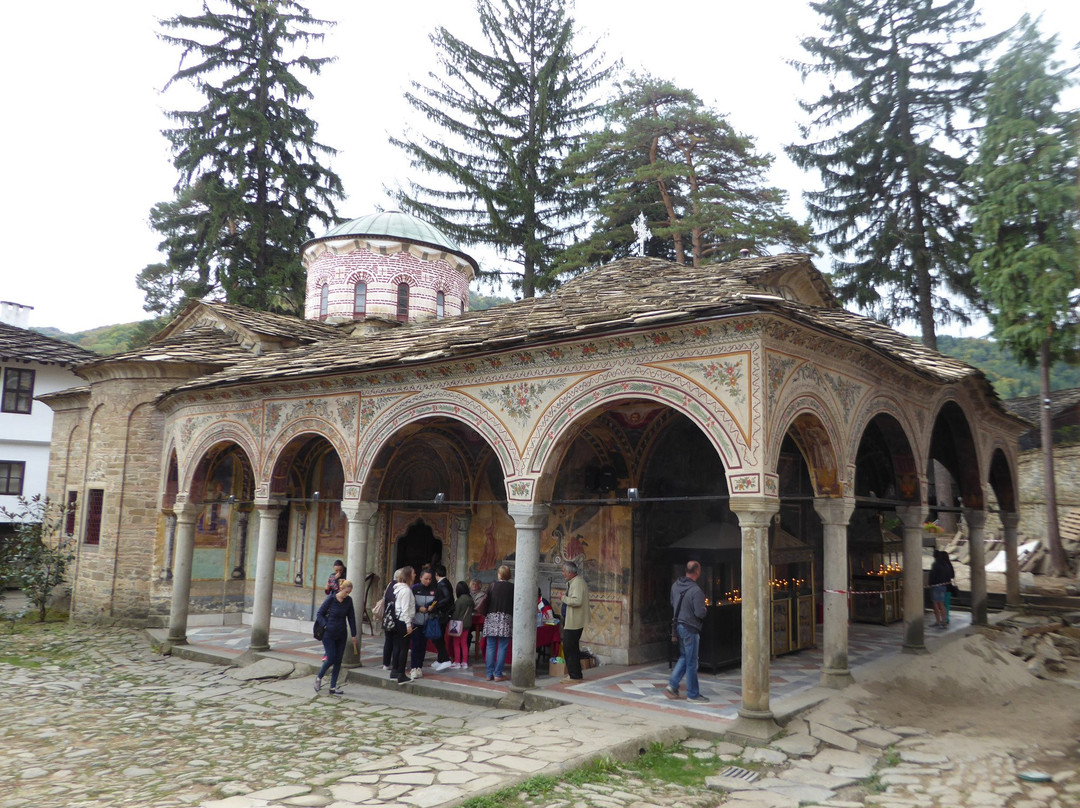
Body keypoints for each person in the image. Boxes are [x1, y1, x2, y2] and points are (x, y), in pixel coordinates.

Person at [666, 560, 708, 702]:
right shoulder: (696, 591)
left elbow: (673, 603)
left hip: (678, 626)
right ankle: (693, 694)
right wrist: (704, 609)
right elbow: (699, 613)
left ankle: (672, 684)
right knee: (692, 662)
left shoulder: (675, 586)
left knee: (685, 656)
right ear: (697, 571)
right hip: (690, 628)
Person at [313, 579, 358, 696]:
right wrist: (326, 625)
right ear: (341, 589)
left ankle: (333, 686)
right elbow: (319, 614)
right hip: (329, 633)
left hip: (342, 633)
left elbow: (351, 618)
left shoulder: (349, 601)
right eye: (346, 592)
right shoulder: (331, 599)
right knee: (331, 657)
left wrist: (354, 634)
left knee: (338, 660)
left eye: (349, 593)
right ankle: (319, 677)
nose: (347, 595)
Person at [482, 565, 514, 682]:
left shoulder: (492, 585)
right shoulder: (512, 588)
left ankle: (489, 673)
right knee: (502, 646)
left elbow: (487, 601)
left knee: (490, 646)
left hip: (491, 616)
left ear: (499, 574)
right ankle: (498, 674)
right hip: (506, 617)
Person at [560, 561, 589, 683]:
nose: (563, 574)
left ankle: (574, 675)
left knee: (569, 648)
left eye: (564, 571)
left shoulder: (577, 583)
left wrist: (563, 598)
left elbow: (577, 601)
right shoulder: (574, 582)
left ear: (570, 572)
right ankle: (575, 674)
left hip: (574, 622)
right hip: (572, 621)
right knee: (571, 648)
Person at [388, 567, 416, 685]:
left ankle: (395, 670)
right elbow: (405, 609)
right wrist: (408, 624)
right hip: (403, 621)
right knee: (403, 648)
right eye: (414, 573)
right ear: (409, 576)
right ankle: (401, 674)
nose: (415, 575)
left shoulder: (398, 589)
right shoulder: (406, 591)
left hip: (399, 621)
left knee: (397, 646)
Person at [409, 568, 436, 679]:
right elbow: (409, 604)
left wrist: (432, 608)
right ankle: (413, 667)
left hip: (427, 623)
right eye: (425, 579)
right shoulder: (414, 589)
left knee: (423, 646)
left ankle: (419, 667)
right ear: (420, 578)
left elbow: (437, 603)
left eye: (430, 579)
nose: (428, 581)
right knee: (415, 645)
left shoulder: (434, 589)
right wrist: (418, 609)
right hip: (416, 622)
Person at [428, 564, 455, 672]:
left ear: (436, 574)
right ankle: (440, 659)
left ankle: (445, 659)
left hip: (441, 615)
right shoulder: (445, 583)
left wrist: (435, 605)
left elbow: (448, 598)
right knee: (439, 637)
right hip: (443, 615)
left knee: (436, 638)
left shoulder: (442, 584)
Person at [449, 580, 474, 669]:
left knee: (456, 643)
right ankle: (465, 662)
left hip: (458, 625)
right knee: (464, 643)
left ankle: (457, 661)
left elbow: (455, 614)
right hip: (467, 624)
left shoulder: (459, 601)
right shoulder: (470, 599)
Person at [928, 550, 951, 628]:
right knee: (942, 604)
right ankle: (944, 621)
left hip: (935, 586)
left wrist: (930, 584)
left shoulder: (935, 564)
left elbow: (932, 576)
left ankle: (938, 621)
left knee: (936, 605)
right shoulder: (945, 564)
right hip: (943, 586)